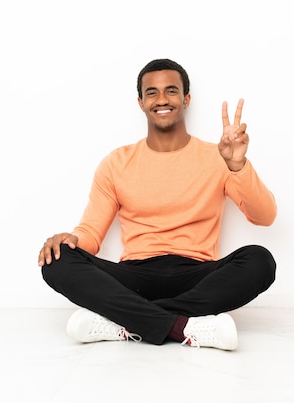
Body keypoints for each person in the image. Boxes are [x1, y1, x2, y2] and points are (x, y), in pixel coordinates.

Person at [38, 58, 277, 351]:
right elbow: (91, 233)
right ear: (140, 102)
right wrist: (72, 240)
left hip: (196, 274)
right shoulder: (116, 163)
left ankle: (125, 321)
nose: (161, 99)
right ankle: (182, 326)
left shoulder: (219, 157)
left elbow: (265, 216)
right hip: (134, 276)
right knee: (57, 259)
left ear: (186, 99)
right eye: (152, 92)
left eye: (171, 91)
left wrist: (237, 166)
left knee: (260, 260)